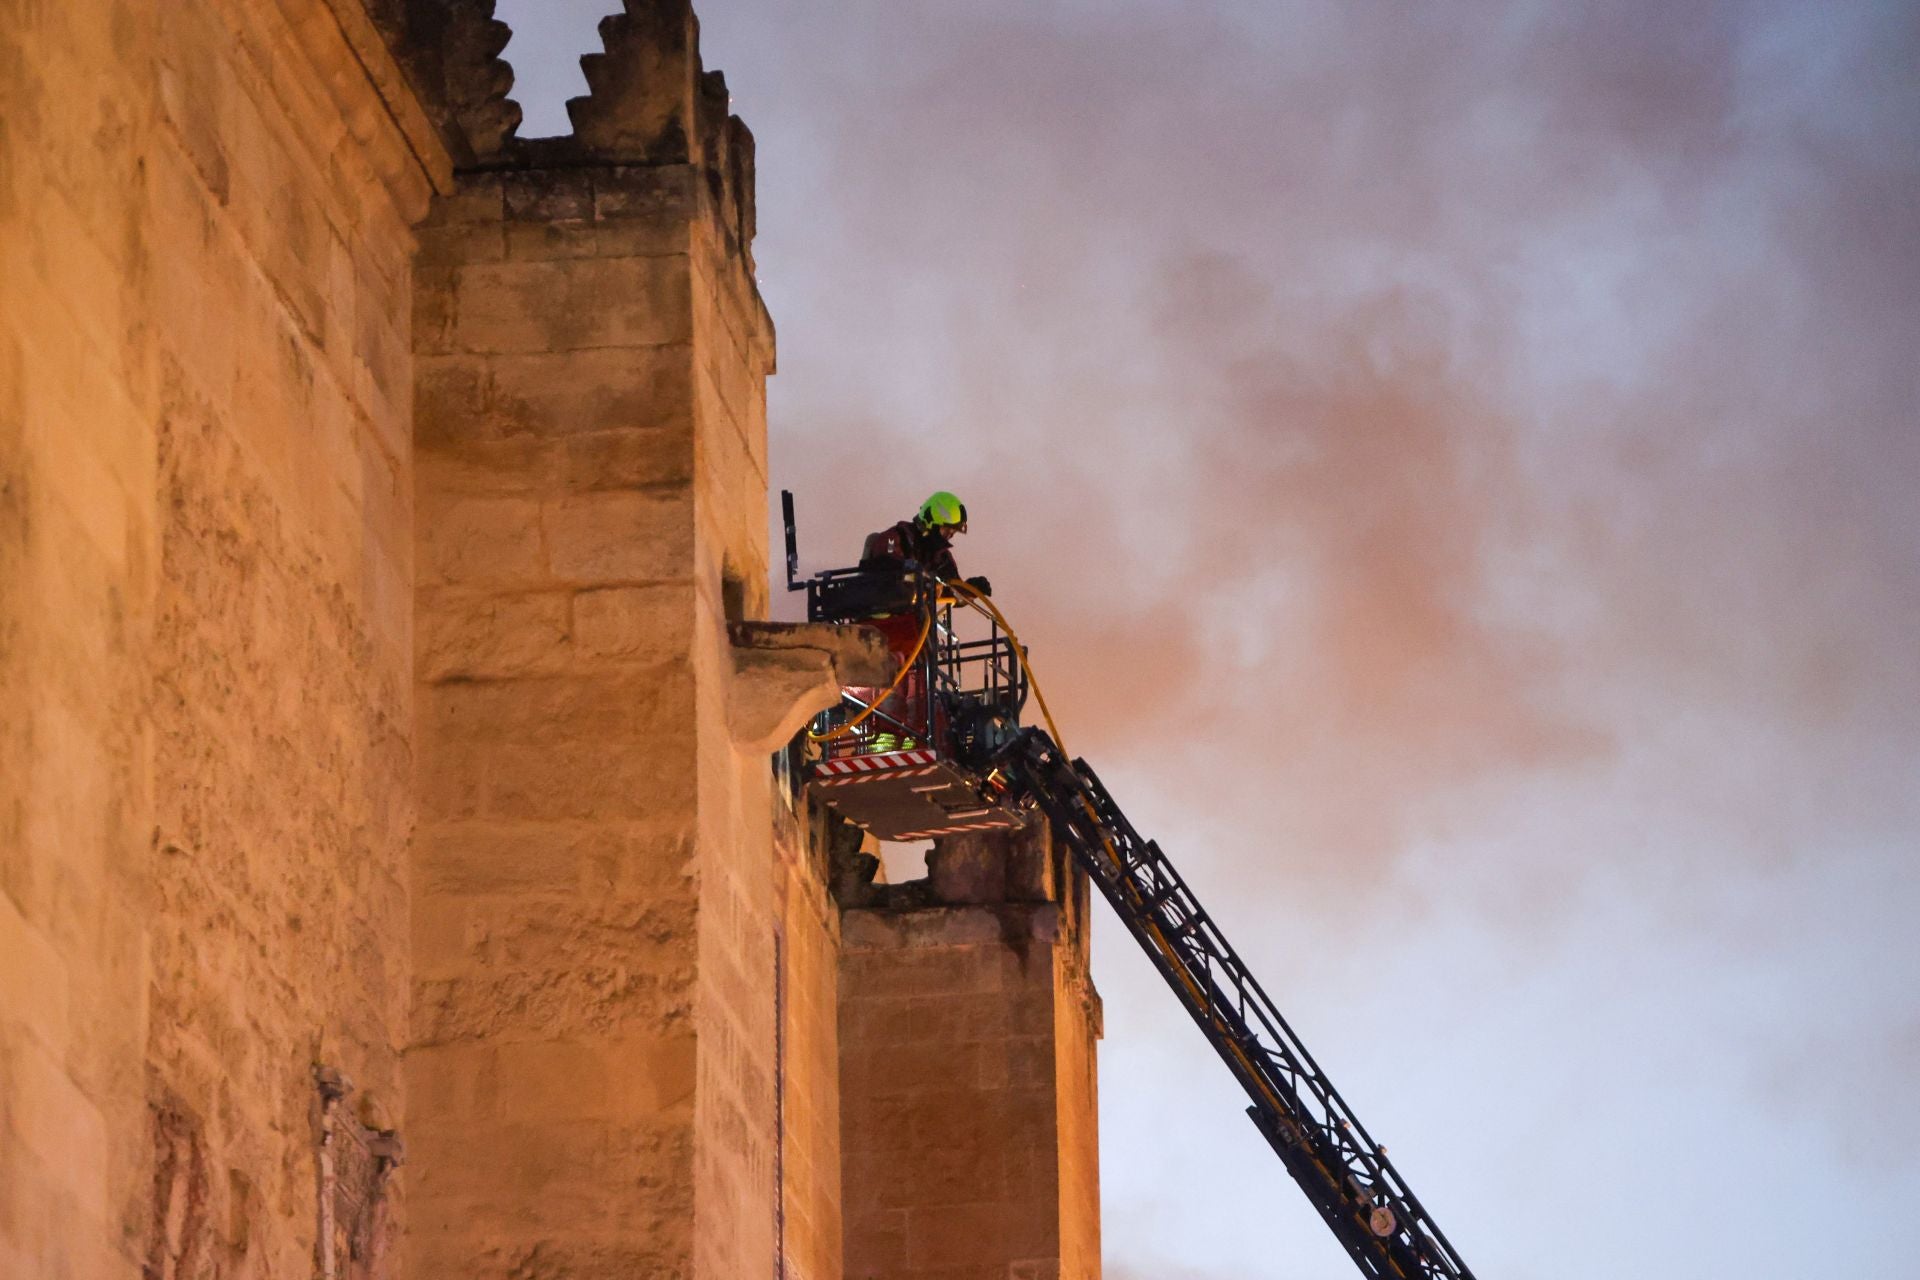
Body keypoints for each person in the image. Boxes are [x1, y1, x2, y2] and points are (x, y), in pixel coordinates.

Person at [850, 492, 990, 751]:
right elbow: (884, 572)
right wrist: (918, 579)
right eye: (946, 530)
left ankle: (914, 736)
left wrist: (970, 590)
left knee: (920, 680)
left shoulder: (941, 557)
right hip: (883, 625)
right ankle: (886, 736)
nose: (948, 536)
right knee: (894, 674)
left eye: (952, 532)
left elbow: (951, 590)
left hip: (915, 631)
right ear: (930, 521)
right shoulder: (895, 539)